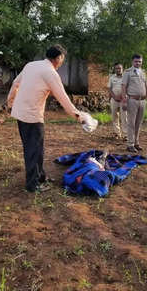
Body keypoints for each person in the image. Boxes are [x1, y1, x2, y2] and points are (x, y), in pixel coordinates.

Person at [7, 44, 87, 192]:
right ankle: (32, 185)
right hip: (32, 117)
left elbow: (15, 83)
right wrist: (79, 116)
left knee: (36, 148)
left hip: (21, 113)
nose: (62, 62)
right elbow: (63, 98)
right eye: (62, 58)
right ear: (59, 58)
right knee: (33, 150)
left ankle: (40, 176)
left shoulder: (31, 65)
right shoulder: (50, 73)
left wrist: (11, 102)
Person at [121, 54, 147, 153]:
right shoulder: (127, 72)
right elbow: (123, 87)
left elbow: (146, 87)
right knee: (131, 123)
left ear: (142, 62)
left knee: (138, 123)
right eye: (136, 61)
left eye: (140, 61)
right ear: (132, 62)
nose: (138, 63)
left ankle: (136, 142)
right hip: (132, 100)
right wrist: (124, 101)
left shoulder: (143, 73)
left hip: (142, 101)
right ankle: (130, 144)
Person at [108, 63, 127, 139]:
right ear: (114, 69)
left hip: (123, 100)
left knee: (124, 117)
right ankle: (117, 133)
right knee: (114, 117)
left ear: (122, 69)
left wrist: (123, 97)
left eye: (119, 68)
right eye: (116, 68)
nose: (118, 70)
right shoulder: (112, 78)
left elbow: (128, 88)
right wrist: (114, 97)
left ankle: (125, 135)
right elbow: (109, 89)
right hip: (114, 99)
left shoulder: (126, 78)